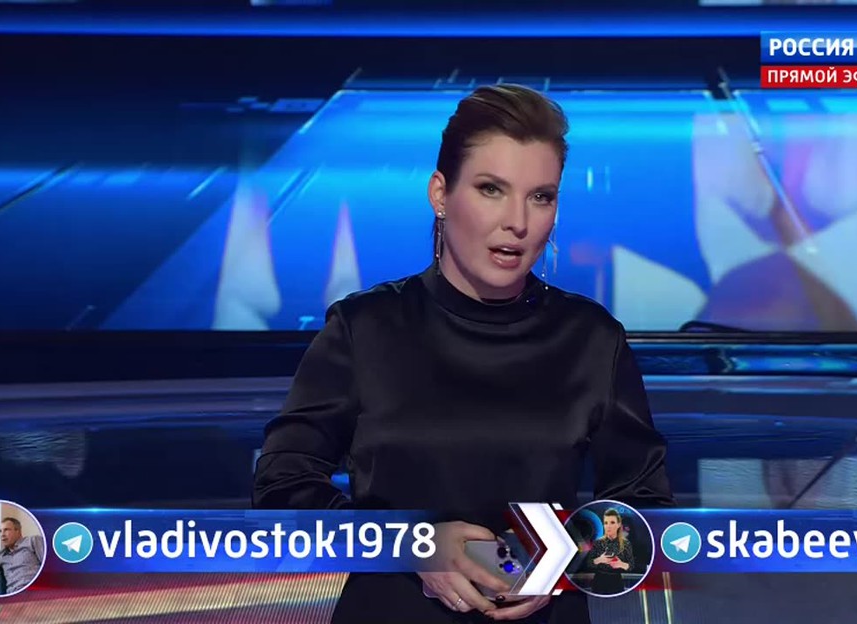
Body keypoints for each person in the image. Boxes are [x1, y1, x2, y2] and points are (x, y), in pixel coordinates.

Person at [253, 84, 675, 623]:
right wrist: (412, 543)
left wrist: (562, 563)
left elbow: (648, 516)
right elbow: (282, 487)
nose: (518, 222)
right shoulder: (365, 328)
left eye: (541, 196)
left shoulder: (591, 338)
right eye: (491, 189)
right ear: (440, 194)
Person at [582, 509, 635, 596]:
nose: (608, 526)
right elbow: (588, 563)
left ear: (618, 525)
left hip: (616, 582)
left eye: (612, 523)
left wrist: (621, 564)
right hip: (599, 582)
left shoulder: (626, 544)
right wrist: (599, 560)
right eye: (606, 523)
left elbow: (631, 566)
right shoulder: (598, 542)